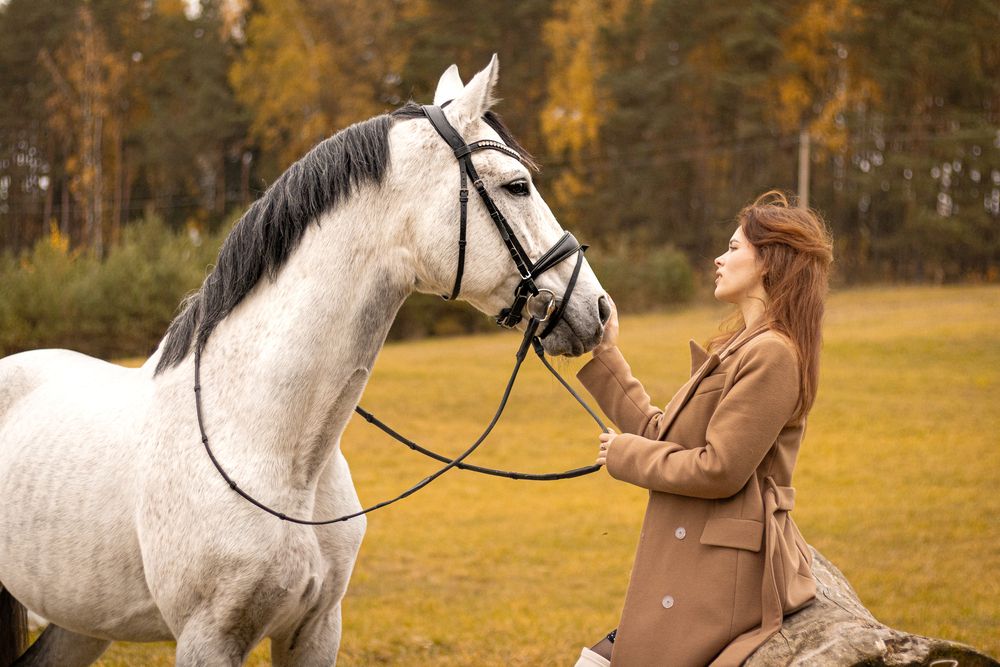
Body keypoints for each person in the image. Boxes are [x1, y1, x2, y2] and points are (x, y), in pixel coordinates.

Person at [573, 191, 834, 666]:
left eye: (734, 248)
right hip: (694, 555)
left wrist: (624, 455)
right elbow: (664, 432)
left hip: (723, 574)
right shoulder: (740, 345)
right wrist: (605, 352)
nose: (720, 257)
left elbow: (720, 469)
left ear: (769, 261)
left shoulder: (772, 353)